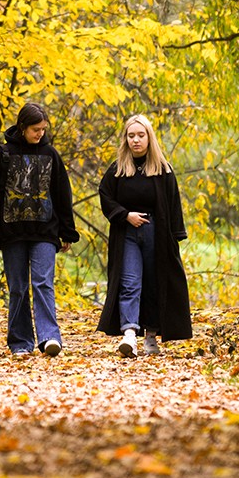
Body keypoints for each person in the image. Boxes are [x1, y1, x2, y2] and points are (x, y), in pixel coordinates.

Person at [0, 102, 80, 356]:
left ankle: (49, 338)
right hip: (11, 232)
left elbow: (62, 195)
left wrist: (67, 231)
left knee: (43, 282)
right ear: (22, 128)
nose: (40, 133)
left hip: (45, 231)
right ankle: (20, 342)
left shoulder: (51, 155)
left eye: (43, 129)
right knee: (18, 287)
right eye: (35, 129)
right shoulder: (3, 154)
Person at [97, 114, 192, 357]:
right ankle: (129, 333)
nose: (136, 140)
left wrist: (175, 236)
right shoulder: (118, 169)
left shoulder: (162, 169)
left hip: (156, 234)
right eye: (131, 136)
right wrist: (124, 214)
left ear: (149, 137)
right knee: (129, 282)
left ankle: (151, 335)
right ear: (125, 139)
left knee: (153, 282)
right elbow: (105, 195)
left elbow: (173, 204)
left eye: (141, 135)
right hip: (127, 232)